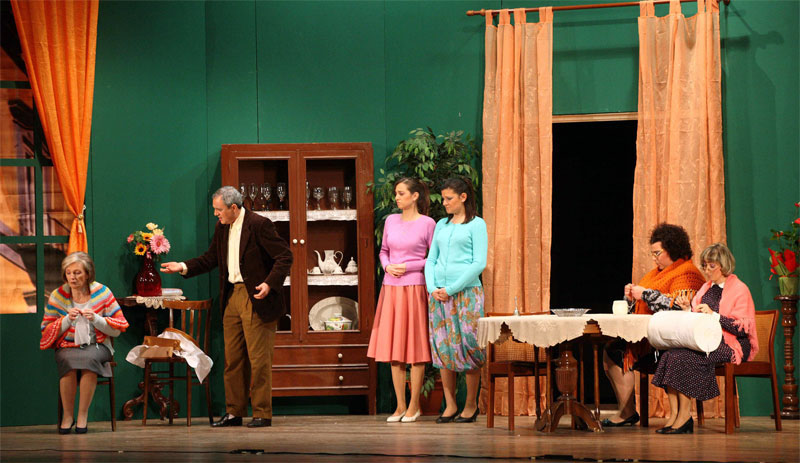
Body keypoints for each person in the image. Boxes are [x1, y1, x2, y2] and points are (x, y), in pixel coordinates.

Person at [161, 185, 292, 428]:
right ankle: (234, 412)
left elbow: (285, 256)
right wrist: (183, 266)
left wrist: (269, 283)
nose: (215, 214)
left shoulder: (259, 225)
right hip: (232, 296)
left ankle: (262, 413)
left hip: (256, 296)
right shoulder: (222, 227)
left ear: (233, 207)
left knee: (258, 359)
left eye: (219, 209)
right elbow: (211, 258)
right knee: (233, 359)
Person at [602, 223, 705, 427]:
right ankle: (627, 411)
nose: (654, 258)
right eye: (652, 254)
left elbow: (678, 307)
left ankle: (681, 415)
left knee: (665, 355)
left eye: (657, 253)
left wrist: (646, 294)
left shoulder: (687, 272)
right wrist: (631, 298)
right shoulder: (654, 274)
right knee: (612, 350)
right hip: (650, 338)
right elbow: (641, 308)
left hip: (672, 341)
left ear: (672, 250)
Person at [650, 243, 758, 434]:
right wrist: (687, 309)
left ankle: (685, 417)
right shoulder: (706, 288)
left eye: (711, 266)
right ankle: (674, 415)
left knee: (684, 357)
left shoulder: (739, 289)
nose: (707, 270)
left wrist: (714, 315)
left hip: (732, 344)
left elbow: (741, 328)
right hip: (706, 340)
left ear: (723, 266)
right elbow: (697, 319)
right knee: (669, 355)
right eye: (705, 265)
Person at [368, 178, 436, 423]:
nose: (396, 198)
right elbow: (383, 251)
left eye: (401, 193)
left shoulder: (428, 223)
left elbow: (433, 258)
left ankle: (414, 406)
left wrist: (408, 266)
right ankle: (399, 406)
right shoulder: (390, 220)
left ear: (415, 196)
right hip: (391, 289)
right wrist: (387, 266)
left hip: (415, 288)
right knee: (394, 349)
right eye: (396, 193)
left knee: (415, 349)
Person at [40, 252, 129, 434]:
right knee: (68, 361)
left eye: (77, 273)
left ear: (88, 274)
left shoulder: (102, 293)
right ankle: (67, 416)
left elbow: (117, 330)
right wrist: (66, 320)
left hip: (98, 345)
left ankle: (82, 415)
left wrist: (96, 319)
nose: (72, 277)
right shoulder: (58, 295)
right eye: (69, 273)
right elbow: (47, 330)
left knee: (89, 359)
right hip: (67, 345)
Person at [425, 177, 488, 423]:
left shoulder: (476, 224)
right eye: (443, 198)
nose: (444, 203)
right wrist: (433, 288)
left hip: (466, 294)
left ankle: (471, 405)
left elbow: (478, 263)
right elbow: (431, 259)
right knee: (444, 348)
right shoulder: (441, 224)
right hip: (439, 296)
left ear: (463, 197)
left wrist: (451, 288)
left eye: (449, 198)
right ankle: (450, 405)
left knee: (470, 346)